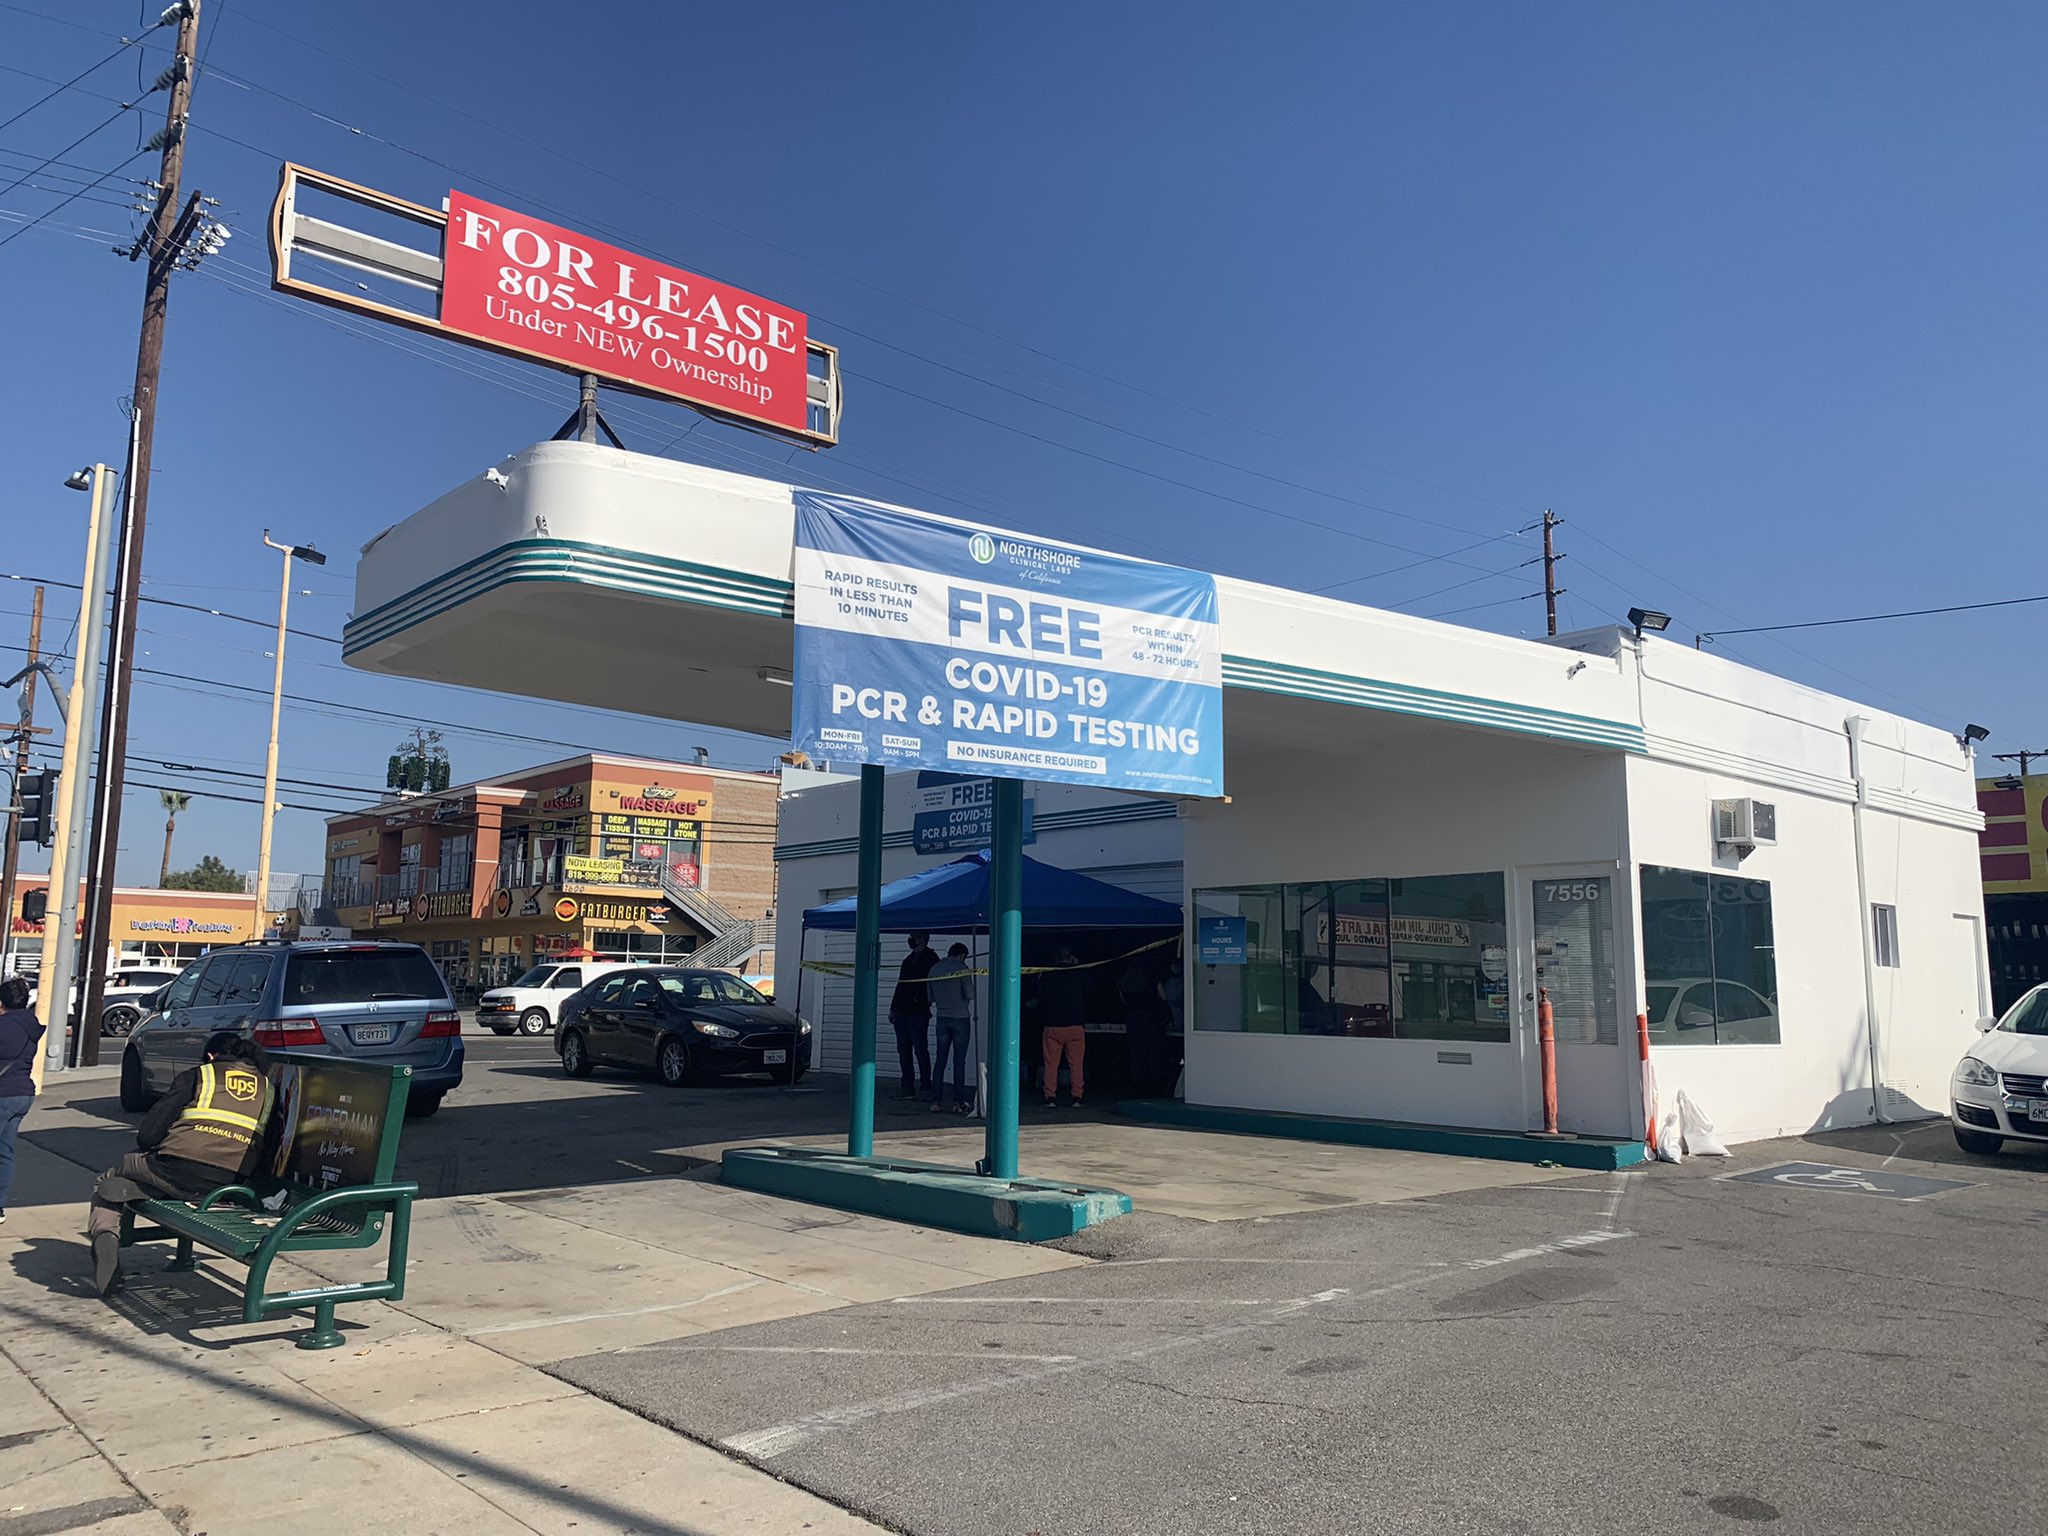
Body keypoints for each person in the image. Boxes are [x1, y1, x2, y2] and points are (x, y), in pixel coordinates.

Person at [87, 1030, 276, 1297]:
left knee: (110, 1179)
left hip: (174, 1169)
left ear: (210, 1056)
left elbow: (148, 1135)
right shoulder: (268, 1089)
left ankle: (106, 1234)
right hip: (227, 1184)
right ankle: (142, 1188)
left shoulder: (198, 1076)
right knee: (164, 1178)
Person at [0, 974, 44, 1227]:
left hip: (3, 1092)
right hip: (22, 1094)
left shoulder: (4, 1026)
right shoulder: (30, 1024)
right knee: (4, 1152)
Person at [887, 932, 938, 1101]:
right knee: (903, 1050)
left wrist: (924, 1002)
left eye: (914, 937)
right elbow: (900, 984)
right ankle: (907, 1086)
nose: (911, 940)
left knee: (920, 1050)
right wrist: (893, 1007)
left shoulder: (932, 959)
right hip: (901, 1011)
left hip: (918, 1012)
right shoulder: (908, 960)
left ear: (923, 939)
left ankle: (926, 1086)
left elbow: (934, 985)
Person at [926, 943, 976, 1114]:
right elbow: (970, 994)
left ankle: (935, 1101)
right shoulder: (962, 968)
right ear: (962, 955)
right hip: (961, 1017)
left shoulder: (934, 969)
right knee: (959, 1061)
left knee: (940, 1061)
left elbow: (930, 997)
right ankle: (958, 1102)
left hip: (942, 1017)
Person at [1038, 944, 1087, 1108]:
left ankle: (1050, 1096)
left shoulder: (1048, 974)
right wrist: (1077, 964)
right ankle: (1077, 1097)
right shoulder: (1079, 973)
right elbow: (1089, 988)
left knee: (1051, 1064)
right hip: (1075, 1025)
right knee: (1076, 1064)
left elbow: (1039, 993)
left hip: (1053, 1024)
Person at [1121, 956, 1168, 1098]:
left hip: (1133, 1019)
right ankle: (1154, 1087)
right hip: (1151, 1019)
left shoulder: (1125, 981)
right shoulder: (1152, 978)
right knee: (1154, 1054)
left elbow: (1122, 999)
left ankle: (1137, 1087)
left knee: (1136, 1056)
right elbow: (1163, 997)